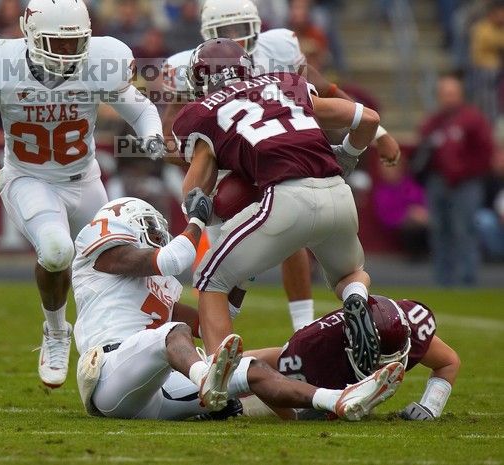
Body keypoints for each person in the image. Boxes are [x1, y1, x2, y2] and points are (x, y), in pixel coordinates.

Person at [0, 0, 166, 389]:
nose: (69, 53)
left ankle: (125, 346)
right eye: (59, 43)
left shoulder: (98, 62)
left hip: (85, 180)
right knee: (57, 252)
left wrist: (152, 138)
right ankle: (56, 332)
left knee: (116, 265)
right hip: (28, 179)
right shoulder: (1, 68)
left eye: (76, 43)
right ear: (31, 36)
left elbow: (140, 110)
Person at [161, 0, 401, 333]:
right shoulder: (283, 78)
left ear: (257, 28)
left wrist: (198, 206)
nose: (236, 37)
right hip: (309, 176)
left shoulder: (221, 84)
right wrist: (367, 140)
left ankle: (229, 346)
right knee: (336, 265)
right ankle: (348, 302)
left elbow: (330, 90)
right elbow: (346, 109)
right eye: (227, 31)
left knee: (218, 271)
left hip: (274, 182)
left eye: (241, 29)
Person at [72, 194, 405, 420]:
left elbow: (213, 322)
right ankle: (207, 379)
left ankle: (339, 399)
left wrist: (247, 269)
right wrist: (197, 220)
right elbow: (174, 259)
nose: (158, 231)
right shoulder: (103, 255)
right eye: (150, 225)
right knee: (171, 333)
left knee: (253, 368)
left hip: (160, 388)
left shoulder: (160, 286)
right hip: (110, 376)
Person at [247, 295, 460, 421]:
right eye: (378, 359)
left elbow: (448, 362)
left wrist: (430, 407)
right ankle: (218, 367)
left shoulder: (411, 329)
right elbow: (284, 396)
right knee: (253, 387)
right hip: (302, 372)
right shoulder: (314, 347)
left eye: (392, 357)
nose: (385, 367)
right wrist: (308, 414)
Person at [415, 74, 493, 286]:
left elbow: (486, 152)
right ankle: (443, 280)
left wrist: (465, 171)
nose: (448, 99)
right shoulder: (434, 122)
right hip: (437, 181)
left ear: (461, 95)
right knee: (439, 231)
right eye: (444, 94)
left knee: (464, 230)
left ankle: (467, 279)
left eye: (452, 94)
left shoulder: (473, 119)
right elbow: (422, 147)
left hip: (467, 183)